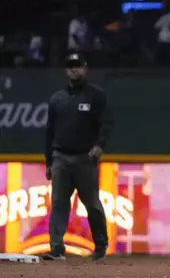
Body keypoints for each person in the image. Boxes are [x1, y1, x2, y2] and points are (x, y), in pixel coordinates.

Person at [42, 53, 113, 262]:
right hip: (61, 158)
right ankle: (56, 248)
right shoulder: (57, 99)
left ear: (85, 68)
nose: (74, 70)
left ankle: (100, 245)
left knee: (92, 204)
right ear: (66, 70)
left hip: (85, 158)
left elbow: (107, 123)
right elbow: (49, 131)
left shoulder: (96, 96)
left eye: (78, 66)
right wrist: (48, 161)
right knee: (58, 203)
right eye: (71, 66)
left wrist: (100, 145)